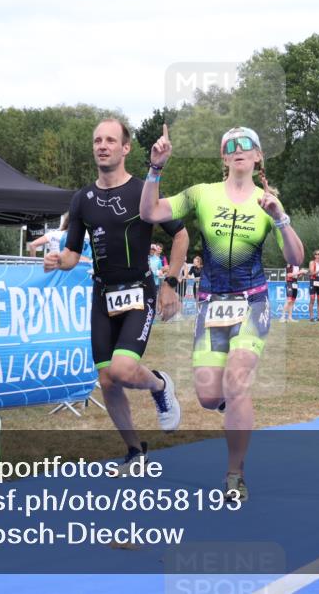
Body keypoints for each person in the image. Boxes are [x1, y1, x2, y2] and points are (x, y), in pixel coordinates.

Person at [140, 125, 304, 502]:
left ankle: (235, 475)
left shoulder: (267, 202)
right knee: (209, 396)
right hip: (211, 304)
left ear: (259, 156)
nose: (240, 148)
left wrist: (281, 218)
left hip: (253, 302)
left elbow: (296, 258)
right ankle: (237, 410)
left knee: (236, 379)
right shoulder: (202, 194)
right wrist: (155, 169)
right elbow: (149, 211)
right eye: (231, 145)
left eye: (248, 144)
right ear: (224, 158)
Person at [44, 118, 188, 471]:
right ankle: (135, 451)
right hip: (102, 294)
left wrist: (170, 283)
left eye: (110, 140)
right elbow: (74, 254)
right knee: (107, 379)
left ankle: (158, 385)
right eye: (97, 140)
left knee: (124, 369)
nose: (102, 145)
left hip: (139, 291)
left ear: (125, 148)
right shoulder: (82, 199)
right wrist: (58, 261)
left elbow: (181, 235)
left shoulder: (144, 191)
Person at [27, 212, 92, 260]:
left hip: (54, 269)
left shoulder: (53, 234)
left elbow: (32, 245)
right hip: (72, 270)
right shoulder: (84, 237)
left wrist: (34, 263)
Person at [307, 249, 319, 322]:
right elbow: (312, 273)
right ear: (315, 255)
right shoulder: (312, 262)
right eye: (318, 254)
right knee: (312, 299)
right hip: (313, 280)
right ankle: (311, 317)